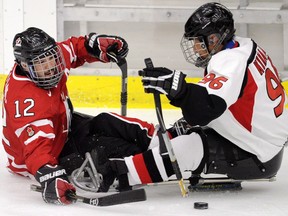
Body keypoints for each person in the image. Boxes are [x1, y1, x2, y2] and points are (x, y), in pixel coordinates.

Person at [89, 2, 288, 192]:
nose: (194, 48)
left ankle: (120, 173)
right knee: (175, 134)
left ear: (213, 39)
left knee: (186, 147)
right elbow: (223, 101)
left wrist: (180, 89)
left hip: (258, 152)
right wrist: (182, 94)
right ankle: (148, 150)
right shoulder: (243, 45)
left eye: (197, 41)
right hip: (261, 138)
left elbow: (206, 109)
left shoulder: (231, 61)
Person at [1, 27, 133, 205]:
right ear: (25, 65)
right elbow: (36, 150)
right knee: (108, 148)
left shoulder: (40, 64)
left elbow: (73, 48)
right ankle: (151, 162)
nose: (50, 67)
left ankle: (164, 138)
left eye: (51, 58)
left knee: (108, 122)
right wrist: (49, 176)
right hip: (42, 154)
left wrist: (94, 47)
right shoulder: (26, 100)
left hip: (61, 127)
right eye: (42, 63)